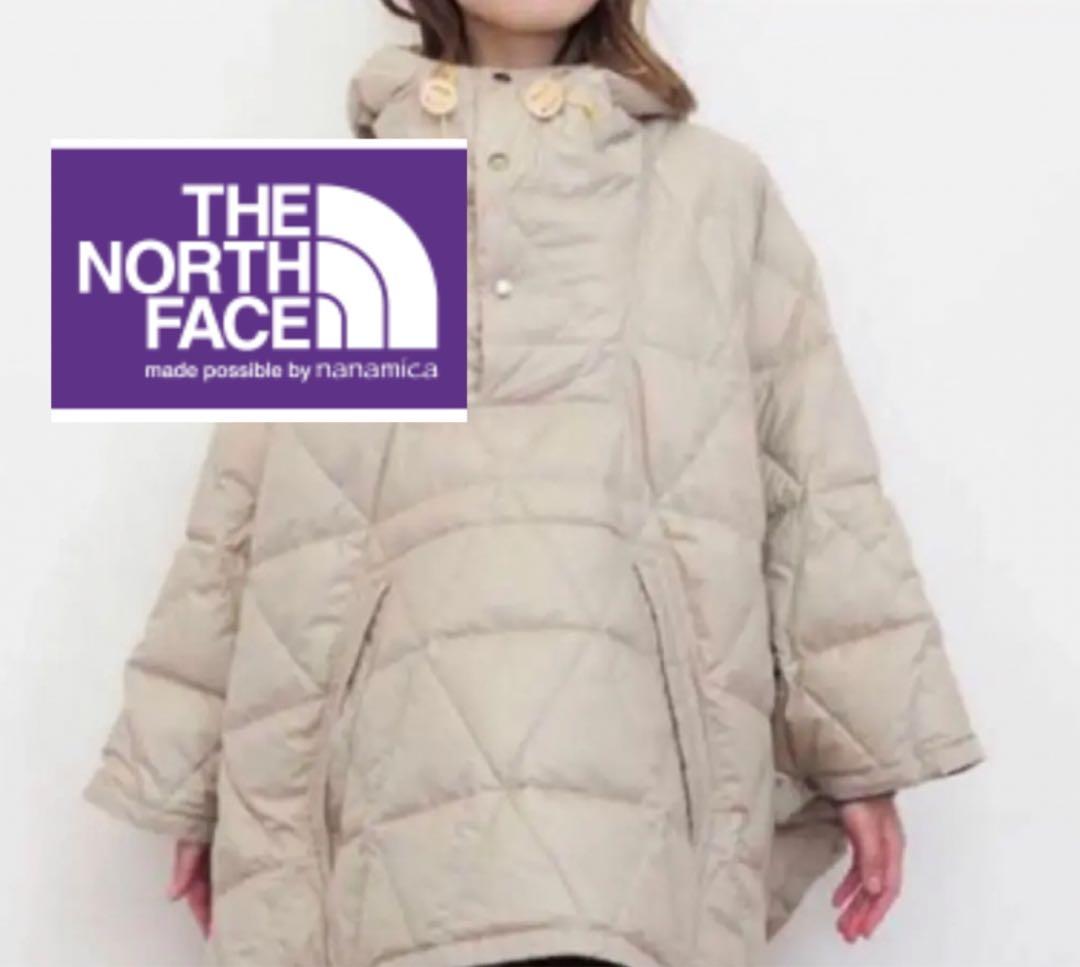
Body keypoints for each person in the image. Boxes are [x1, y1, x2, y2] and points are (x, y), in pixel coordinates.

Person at [82, 2, 986, 965]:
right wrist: (190, 776)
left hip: (633, 779)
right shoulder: (344, 208)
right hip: (385, 771)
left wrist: (862, 747)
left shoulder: (717, 192)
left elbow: (813, 478)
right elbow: (247, 506)